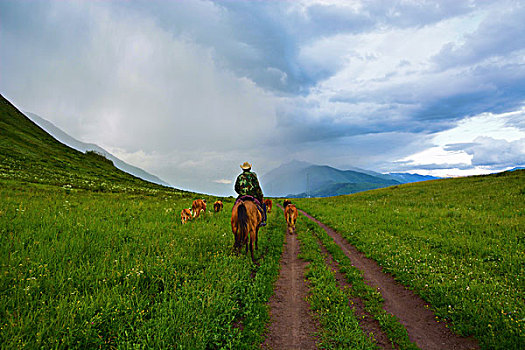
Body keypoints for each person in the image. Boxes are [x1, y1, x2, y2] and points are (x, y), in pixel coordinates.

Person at [234, 161, 266, 226]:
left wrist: (241, 192)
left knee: (235, 205)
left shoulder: (239, 177)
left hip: (242, 196)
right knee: (263, 205)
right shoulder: (253, 175)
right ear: (250, 168)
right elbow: (257, 187)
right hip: (253, 196)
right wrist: (260, 196)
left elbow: (236, 188)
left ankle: (235, 221)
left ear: (243, 169)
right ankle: (263, 220)